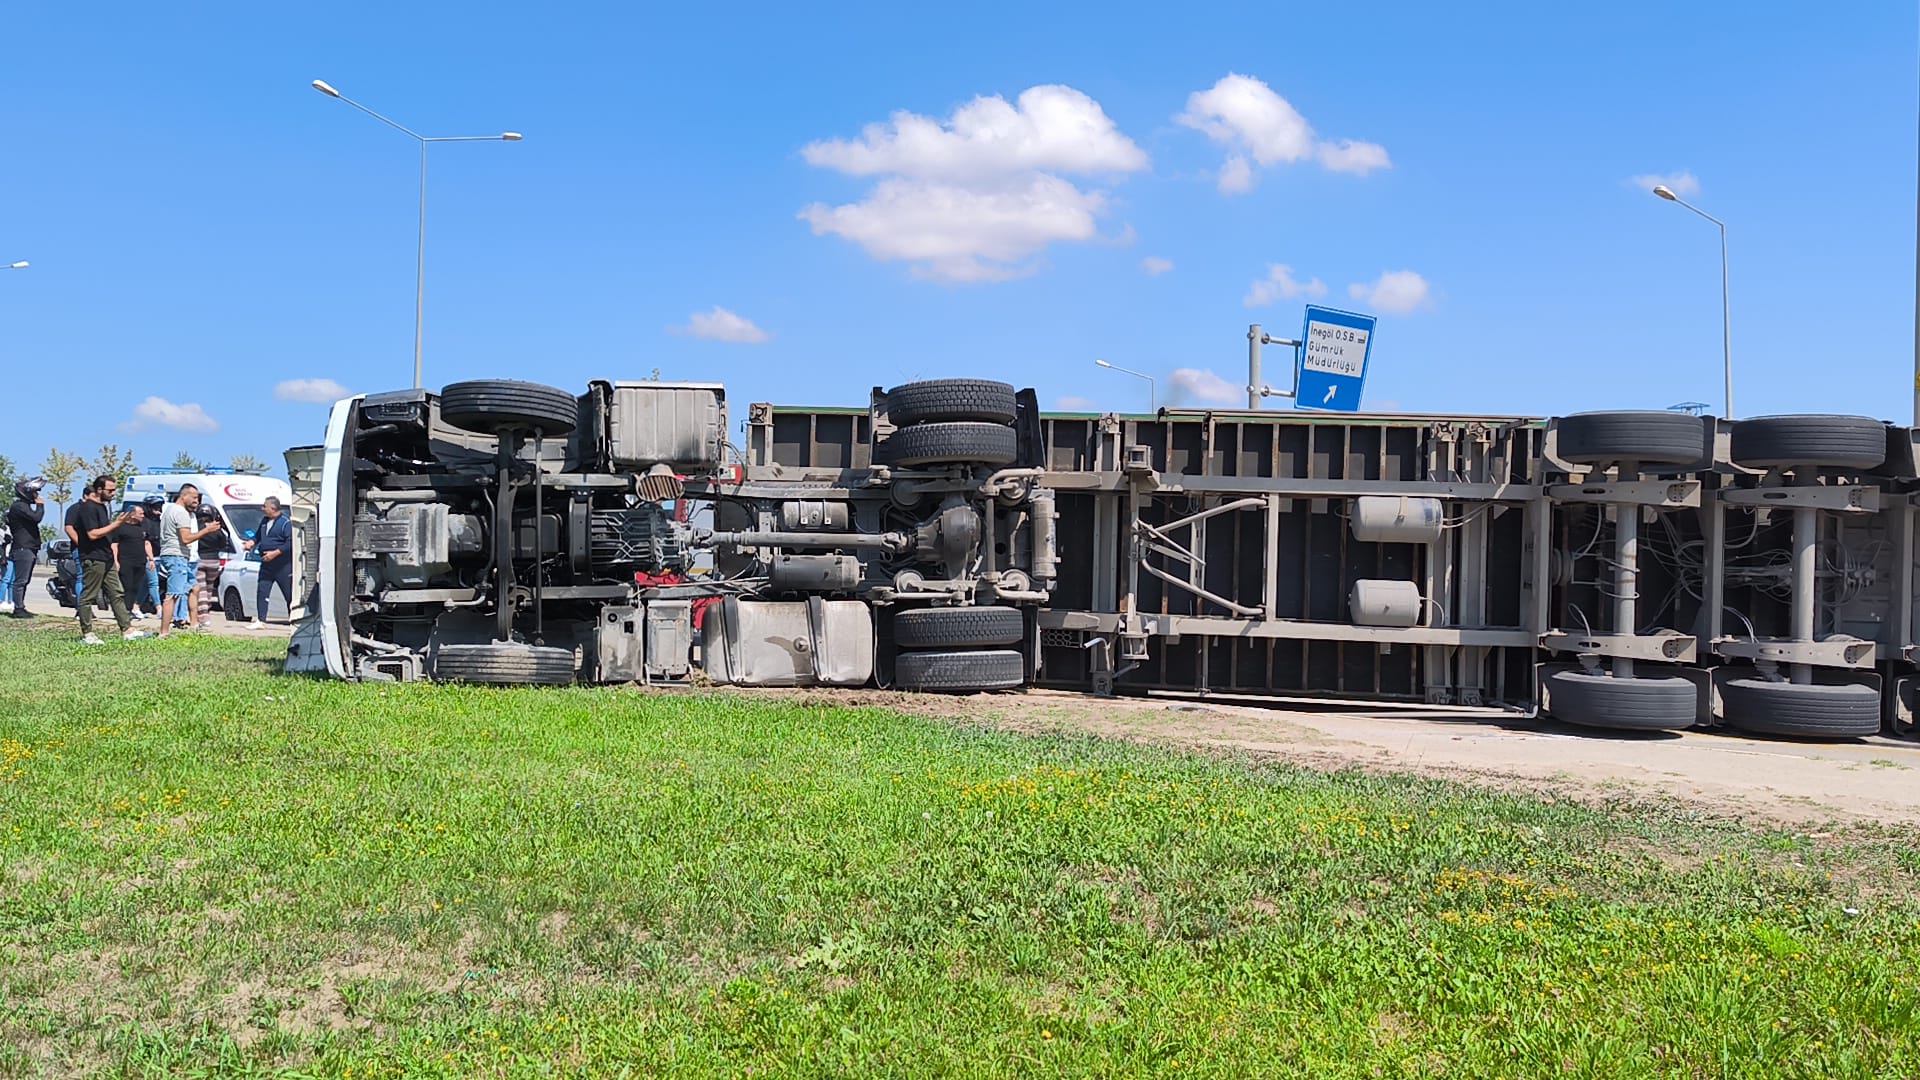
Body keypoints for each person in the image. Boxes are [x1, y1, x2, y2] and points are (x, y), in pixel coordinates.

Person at [65, 475, 149, 644]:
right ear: (99, 490)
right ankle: (87, 634)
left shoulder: (103, 507)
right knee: (88, 596)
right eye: (110, 490)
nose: (113, 493)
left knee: (117, 593)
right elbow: (92, 534)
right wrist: (116, 524)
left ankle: (127, 630)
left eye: (114, 490)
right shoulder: (87, 508)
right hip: (93, 557)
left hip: (106, 557)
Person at [157, 484, 222, 638]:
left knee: (194, 588)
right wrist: (207, 530)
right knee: (172, 595)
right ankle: (164, 632)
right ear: (183, 495)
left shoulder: (170, 510)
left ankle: (194, 624)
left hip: (177, 556)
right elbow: (186, 539)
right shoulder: (180, 513)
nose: (196, 502)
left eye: (198, 499)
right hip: (176, 556)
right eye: (193, 498)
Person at [242, 495, 293, 629]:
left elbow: (290, 543)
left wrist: (275, 553)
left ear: (273, 508)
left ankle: (293, 620)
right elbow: (258, 536)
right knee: (262, 590)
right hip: (266, 564)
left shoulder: (285, 523)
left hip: (282, 565)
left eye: (265, 506)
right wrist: (251, 543)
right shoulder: (265, 521)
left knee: (288, 593)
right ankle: (261, 620)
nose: (262, 508)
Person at [4, 477, 45, 618]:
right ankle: (18, 609)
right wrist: (40, 505)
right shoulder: (19, 506)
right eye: (35, 493)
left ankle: (21, 606)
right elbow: (36, 518)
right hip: (23, 548)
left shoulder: (23, 507)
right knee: (20, 581)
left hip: (28, 548)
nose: (37, 496)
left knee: (24, 580)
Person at [116, 501, 158, 621]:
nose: (143, 515)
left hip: (140, 562)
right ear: (132, 514)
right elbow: (114, 545)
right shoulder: (121, 527)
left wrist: (151, 559)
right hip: (125, 561)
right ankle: (124, 611)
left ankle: (131, 609)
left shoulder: (142, 527)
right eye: (140, 513)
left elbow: (146, 543)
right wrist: (116, 561)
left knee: (136, 587)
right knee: (126, 587)